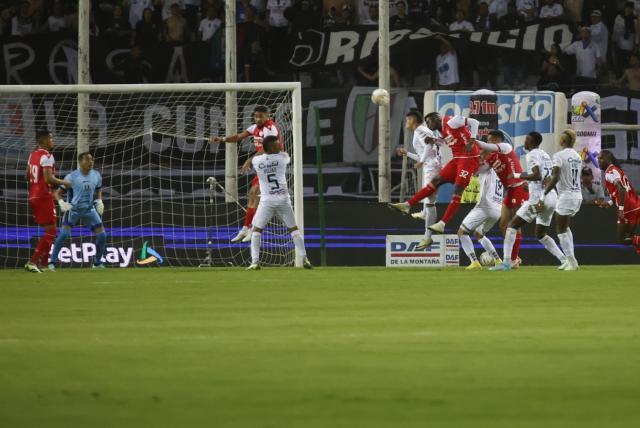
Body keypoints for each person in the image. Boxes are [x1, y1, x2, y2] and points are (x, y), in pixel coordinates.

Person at [389, 112, 481, 234]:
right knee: (436, 181)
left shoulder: (451, 121)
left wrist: (472, 140)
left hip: (470, 159)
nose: (427, 124)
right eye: (426, 122)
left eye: (429, 121)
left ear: (437, 118)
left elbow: (475, 122)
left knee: (458, 190)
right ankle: (407, 205)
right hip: (457, 159)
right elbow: (444, 142)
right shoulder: (442, 131)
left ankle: (442, 224)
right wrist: (434, 139)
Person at [490, 131, 567, 271]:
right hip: (551, 197)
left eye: (527, 140)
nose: (525, 142)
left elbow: (537, 175)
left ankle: (507, 262)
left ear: (532, 142)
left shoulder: (531, 155)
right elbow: (545, 176)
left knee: (512, 225)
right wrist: (529, 184)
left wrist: (517, 175)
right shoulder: (545, 154)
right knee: (540, 234)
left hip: (538, 200)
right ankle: (564, 260)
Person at [210, 105, 281, 243]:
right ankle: (246, 227)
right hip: (265, 166)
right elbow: (238, 137)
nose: (258, 119)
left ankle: (254, 228)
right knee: (252, 194)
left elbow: (267, 148)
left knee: (257, 194)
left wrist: (249, 160)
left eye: (261, 116)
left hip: (274, 165)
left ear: (268, 116)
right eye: (256, 116)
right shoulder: (255, 128)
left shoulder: (270, 129)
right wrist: (222, 139)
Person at [247, 136, 312, 270]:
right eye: (277, 144)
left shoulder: (257, 161)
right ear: (271, 147)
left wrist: (254, 156)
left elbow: (259, 155)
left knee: (256, 230)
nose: (280, 146)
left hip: (267, 201)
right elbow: (283, 154)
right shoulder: (282, 158)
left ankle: (255, 262)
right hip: (283, 200)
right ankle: (305, 259)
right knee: (293, 229)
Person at [475, 130, 528, 267]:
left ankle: (513, 259)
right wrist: (480, 157)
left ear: (498, 139)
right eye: (487, 140)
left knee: (515, 225)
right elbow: (478, 170)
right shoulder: (491, 157)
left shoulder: (506, 148)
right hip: (509, 191)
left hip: (519, 187)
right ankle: (512, 257)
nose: (488, 142)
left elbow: (489, 147)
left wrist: (473, 141)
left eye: (491, 139)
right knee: (504, 225)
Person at [48, 153, 107, 270]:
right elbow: (57, 193)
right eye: (87, 160)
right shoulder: (72, 177)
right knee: (64, 235)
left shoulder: (96, 175)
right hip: (73, 210)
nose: (90, 162)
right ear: (80, 162)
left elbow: (98, 189)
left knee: (102, 235)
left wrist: (99, 200)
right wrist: (61, 202)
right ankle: (52, 262)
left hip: (89, 209)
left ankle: (97, 263)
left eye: (92, 160)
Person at [25, 131, 71, 273]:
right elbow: (48, 179)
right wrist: (66, 183)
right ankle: (32, 262)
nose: (53, 140)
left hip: (33, 195)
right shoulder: (47, 156)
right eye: (50, 138)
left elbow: (27, 175)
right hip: (43, 195)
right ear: (43, 140)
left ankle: (44, 264)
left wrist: (36, 185)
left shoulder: (33, 155)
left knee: (49, 230)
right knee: (52, 231)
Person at [396, 111, 441, 249]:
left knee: (430, 202)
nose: (406, 123)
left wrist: (421, 161)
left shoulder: (420, 130)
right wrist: (408, 154)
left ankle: (427, 238)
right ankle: (424, 212)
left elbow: (429, 146)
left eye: (407, 120)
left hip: (431, 167)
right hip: (431, 166)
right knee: (428, 201)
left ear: (412, 119)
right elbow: (427, 152)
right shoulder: (424, 130)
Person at [539, 129, 583, 271]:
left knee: (561, 230)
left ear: (563, 141)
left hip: (566, 196)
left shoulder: (558, 156)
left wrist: (543, 194)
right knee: (566, 227)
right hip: (577, 195)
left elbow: (555, 177)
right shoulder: (577, 156)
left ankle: (572, 262)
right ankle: (571, 261)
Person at [458, 165, 504, 270]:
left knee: (462, 232)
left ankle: (474, 262)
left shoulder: (486, 167)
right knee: (479, 234)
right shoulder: (499, 173)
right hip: (497, 209)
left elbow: (472, 171)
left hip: (485, 207)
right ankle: (497, 260)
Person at [597, 150, 640, 254]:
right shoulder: (616, 170)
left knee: (621, 238)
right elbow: (618, 191)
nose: (599, 161)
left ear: (608, 159)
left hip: (627, 207)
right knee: (629, 238)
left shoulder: (610, 172)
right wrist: (610, 203)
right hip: (635, 205)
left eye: (601, 158)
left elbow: (621, 189)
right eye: (598, 158)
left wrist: (621, 209)